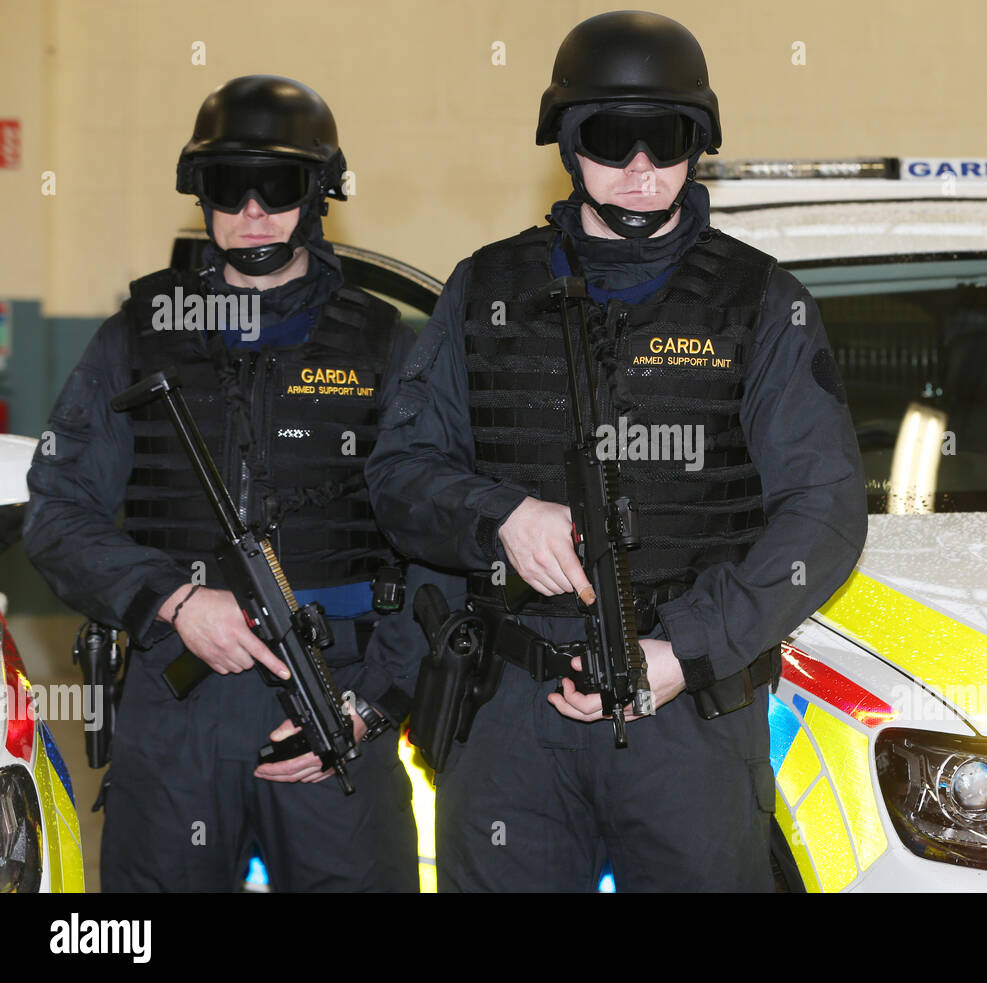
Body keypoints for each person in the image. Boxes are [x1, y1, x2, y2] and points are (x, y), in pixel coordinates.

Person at [367, 10, 867, 892]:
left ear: (697, 144)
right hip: (512, 706)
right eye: (611, 137)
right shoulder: (485, 287)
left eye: (664, 138)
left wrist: (687, 647)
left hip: (689, 711)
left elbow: (824, 510)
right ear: (567, 144)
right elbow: (400, 474)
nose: (639, 167)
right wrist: (500, 517)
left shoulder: (760, 302)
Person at [25, 75, 440, 892]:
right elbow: (57, 515)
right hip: (177, 700)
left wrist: (373, 705)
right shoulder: (136, 338)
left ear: (317, 193)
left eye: (277, 184)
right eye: (227, 185)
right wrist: (174, 599)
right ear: (200, 195)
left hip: (337, 697)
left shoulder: (385, 349)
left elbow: (442, 547)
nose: (251, 209)